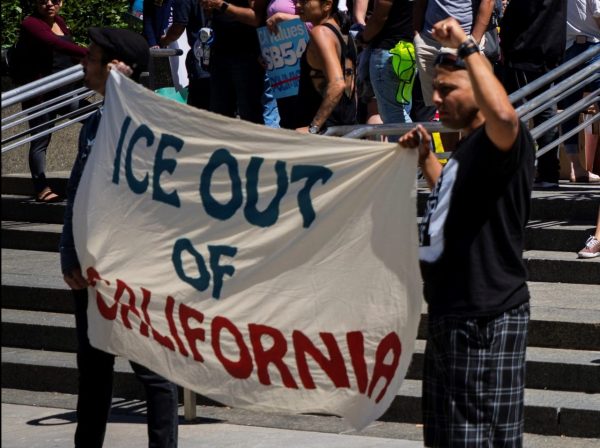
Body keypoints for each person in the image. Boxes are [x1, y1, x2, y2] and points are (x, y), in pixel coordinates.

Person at [399, 17, 535, 446]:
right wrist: (426, 160)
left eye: (446, 90)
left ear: (480, 86)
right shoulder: (467, 148)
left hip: (485, 319)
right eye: (435, 89)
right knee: (448, 439)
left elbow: (505, 116)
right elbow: (454, 199)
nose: (436, 100)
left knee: (476, 440)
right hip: (452, 315)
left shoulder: (504, 138)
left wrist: (468, 45)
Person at [59, 28, 179, 448]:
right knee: (93, 371)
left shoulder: (151, 120)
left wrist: (124, 94)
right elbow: (77, 193)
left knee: (152, 371)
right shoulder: (93, 123)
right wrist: (69, 255)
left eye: (91, 57)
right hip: (93, 268)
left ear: (115, 67)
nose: (83, 64)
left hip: (135, 266)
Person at [11, 0, 88, 202]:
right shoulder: (31, 23)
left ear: (61, 2)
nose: (49, 4)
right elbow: (54, 43)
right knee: (40, 141)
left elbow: (67, 51)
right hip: (41, 95)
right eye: (43, 0)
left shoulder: (60, 22)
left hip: (65, 92)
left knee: (97, 118)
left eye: (54, 0)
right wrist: (92, 54)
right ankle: (41, 188)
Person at [500, 0, 567, 189]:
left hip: (526, 49)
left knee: (516, 114)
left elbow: (517, 14)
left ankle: (518, 170)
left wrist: (506, 44)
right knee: (545, 112)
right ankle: (548, 172)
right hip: (550, 49)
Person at [199, 0, 267, 124]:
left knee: (249, 115)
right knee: (219, 117)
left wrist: (221, 5)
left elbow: (255, 18)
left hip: (246, 56)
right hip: (219, 55)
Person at [295, 0, 357, 134]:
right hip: (345, 128)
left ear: (327, 5)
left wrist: (313, 128)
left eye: (305, 1)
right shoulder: (345, 33)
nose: (298, 5)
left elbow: (337, 84)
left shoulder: (320, 33)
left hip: (324, 133)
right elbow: (352, 87)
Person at [559, 0, 600, 183]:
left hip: (566, 49)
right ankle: (576, 168)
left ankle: (576, 167)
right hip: (592, 46)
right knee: (570, 110)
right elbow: (598, 15)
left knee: (570, 110)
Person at [355, 0, 414, 126]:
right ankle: (419, 144)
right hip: (408, 51)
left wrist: (363, 37)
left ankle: (421, 145)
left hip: (389, 52)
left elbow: (379, 18)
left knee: (393, 115)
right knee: (401, 111)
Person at [159, 0, 210, 110]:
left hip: (202, 59)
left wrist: (165, 40)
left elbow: (178, 26)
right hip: (228, 57)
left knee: (202, 108)